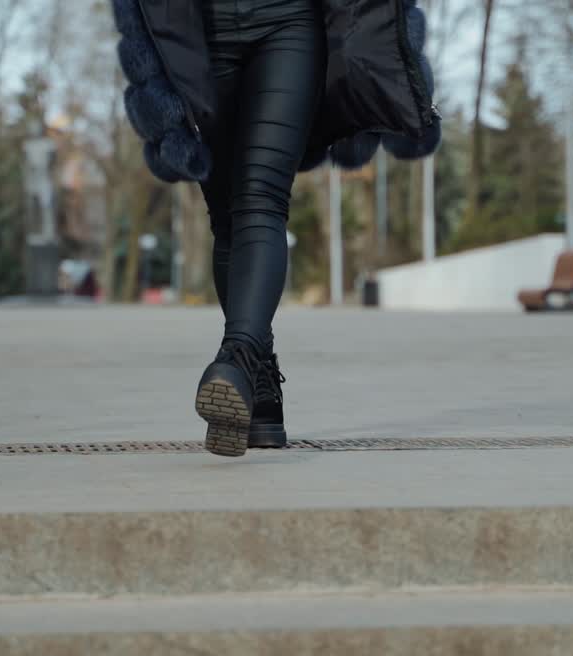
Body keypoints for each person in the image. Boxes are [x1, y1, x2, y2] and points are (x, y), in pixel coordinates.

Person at [113, 0, 440, 457]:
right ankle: (261, 395)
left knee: (261, 197)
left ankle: (237, 357)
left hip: (289, 22)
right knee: (227, 216)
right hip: (193, 31)